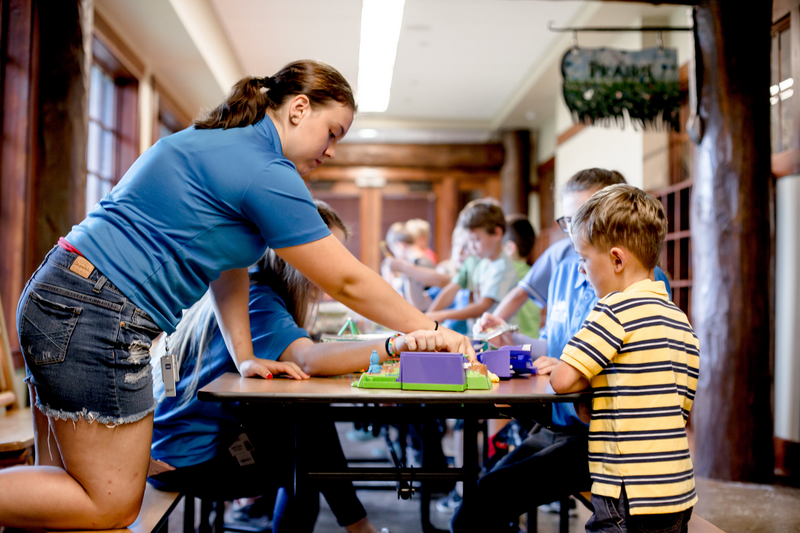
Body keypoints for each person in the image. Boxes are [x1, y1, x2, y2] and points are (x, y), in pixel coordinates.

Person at [2, 60, 471, 529]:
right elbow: (346, 280)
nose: (331, 151)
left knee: (61, 494)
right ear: (299, 109)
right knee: (109, 504)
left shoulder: (227, 148)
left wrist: (244, 355)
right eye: (332, 133)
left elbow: (226, 265)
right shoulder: (264, 168)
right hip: (94, 311)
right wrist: (430, 330)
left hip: (68, 295)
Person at [149, 201, 434, 533]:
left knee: (308, 434)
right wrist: (392, 345)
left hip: (185, 447)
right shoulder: (259, 297)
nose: (331, 269)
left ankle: (359, 527)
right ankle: (359, 527)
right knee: (309, 451)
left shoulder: (255, 287)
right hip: (187, 460)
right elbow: (307, 359)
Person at [450, 170, 672, 533]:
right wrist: (514, 342)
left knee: (486, 498)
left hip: (604, 438)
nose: (576, 230)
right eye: (569, 220)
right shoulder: (566, 263)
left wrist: (565, 368)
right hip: (560, 423)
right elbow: (558, 349)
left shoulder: (636, 283)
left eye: (587, 216)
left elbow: (611, 372)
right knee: (479, 497)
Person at [550, 184, 698, 532]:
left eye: (584, 259)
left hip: (625, 487)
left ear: (616, 259)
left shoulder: (613, 310)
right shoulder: (678, 318)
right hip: (676, 487)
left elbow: (562, 380)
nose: (581, 270)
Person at [491, 169, 627, 323]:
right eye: (569, 220)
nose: (574, 229)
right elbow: (521, 294)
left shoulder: (638, 273)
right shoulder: (562, 260)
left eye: (584, 218)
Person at [427, 200, 517, 330]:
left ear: (497, 233)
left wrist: (443, 315)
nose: (472, 247)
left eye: (476, 240)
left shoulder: (503, 268)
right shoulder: (476, 261)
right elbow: (451, 288)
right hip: (480, 335)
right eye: (469, 241)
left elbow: (482, 306)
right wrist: (429, 316)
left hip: (498, 339)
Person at [502, 215, 541, 339]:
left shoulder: (504, 273)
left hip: (508, 345)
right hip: (533, 342)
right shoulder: (534, 273)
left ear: (510, 248)